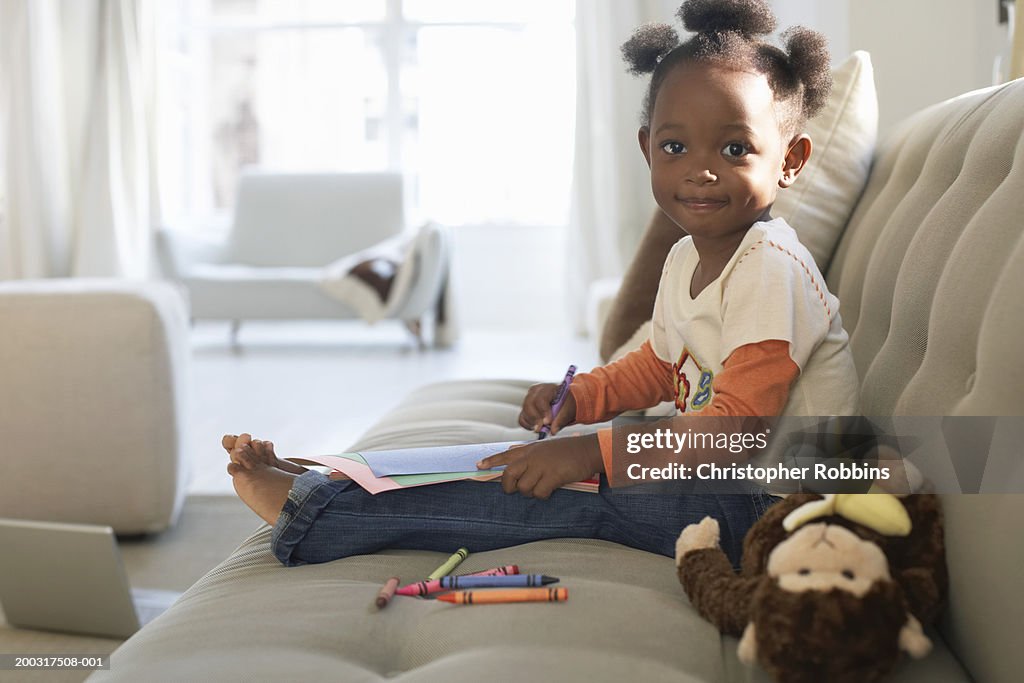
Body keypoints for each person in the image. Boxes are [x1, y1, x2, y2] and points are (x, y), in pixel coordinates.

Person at [226, 0, 857, 568]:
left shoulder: (770, 268)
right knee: (515, 464)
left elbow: (736, 433)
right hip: (726, 479)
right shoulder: (688, 257)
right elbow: (663, 367)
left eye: (734, 149)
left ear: (791, 160)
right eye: (674, 146)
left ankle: (318, 516)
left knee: (554, 495)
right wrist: (580, 400)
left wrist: (590, 454)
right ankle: (340, 479)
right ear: (646, 149)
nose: (699, 171)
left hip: (778, 507)